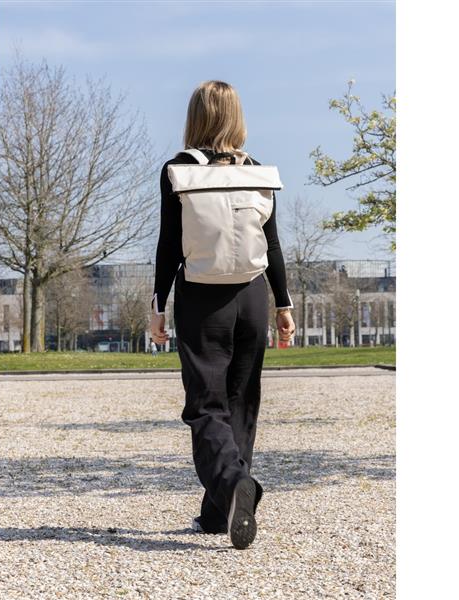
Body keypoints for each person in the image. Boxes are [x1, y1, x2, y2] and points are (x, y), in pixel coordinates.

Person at [150, 80, 295, 550]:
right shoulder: (257, 172)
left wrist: (158, 305)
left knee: (205, 406)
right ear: (237, 117)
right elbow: (272, 244)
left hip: (202, 297)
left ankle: (233, 486)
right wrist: (283, 303)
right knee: (241, 403)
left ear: (195, 117)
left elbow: (169, 245)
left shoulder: (178, 171)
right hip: (252, 296)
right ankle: (218, 515)